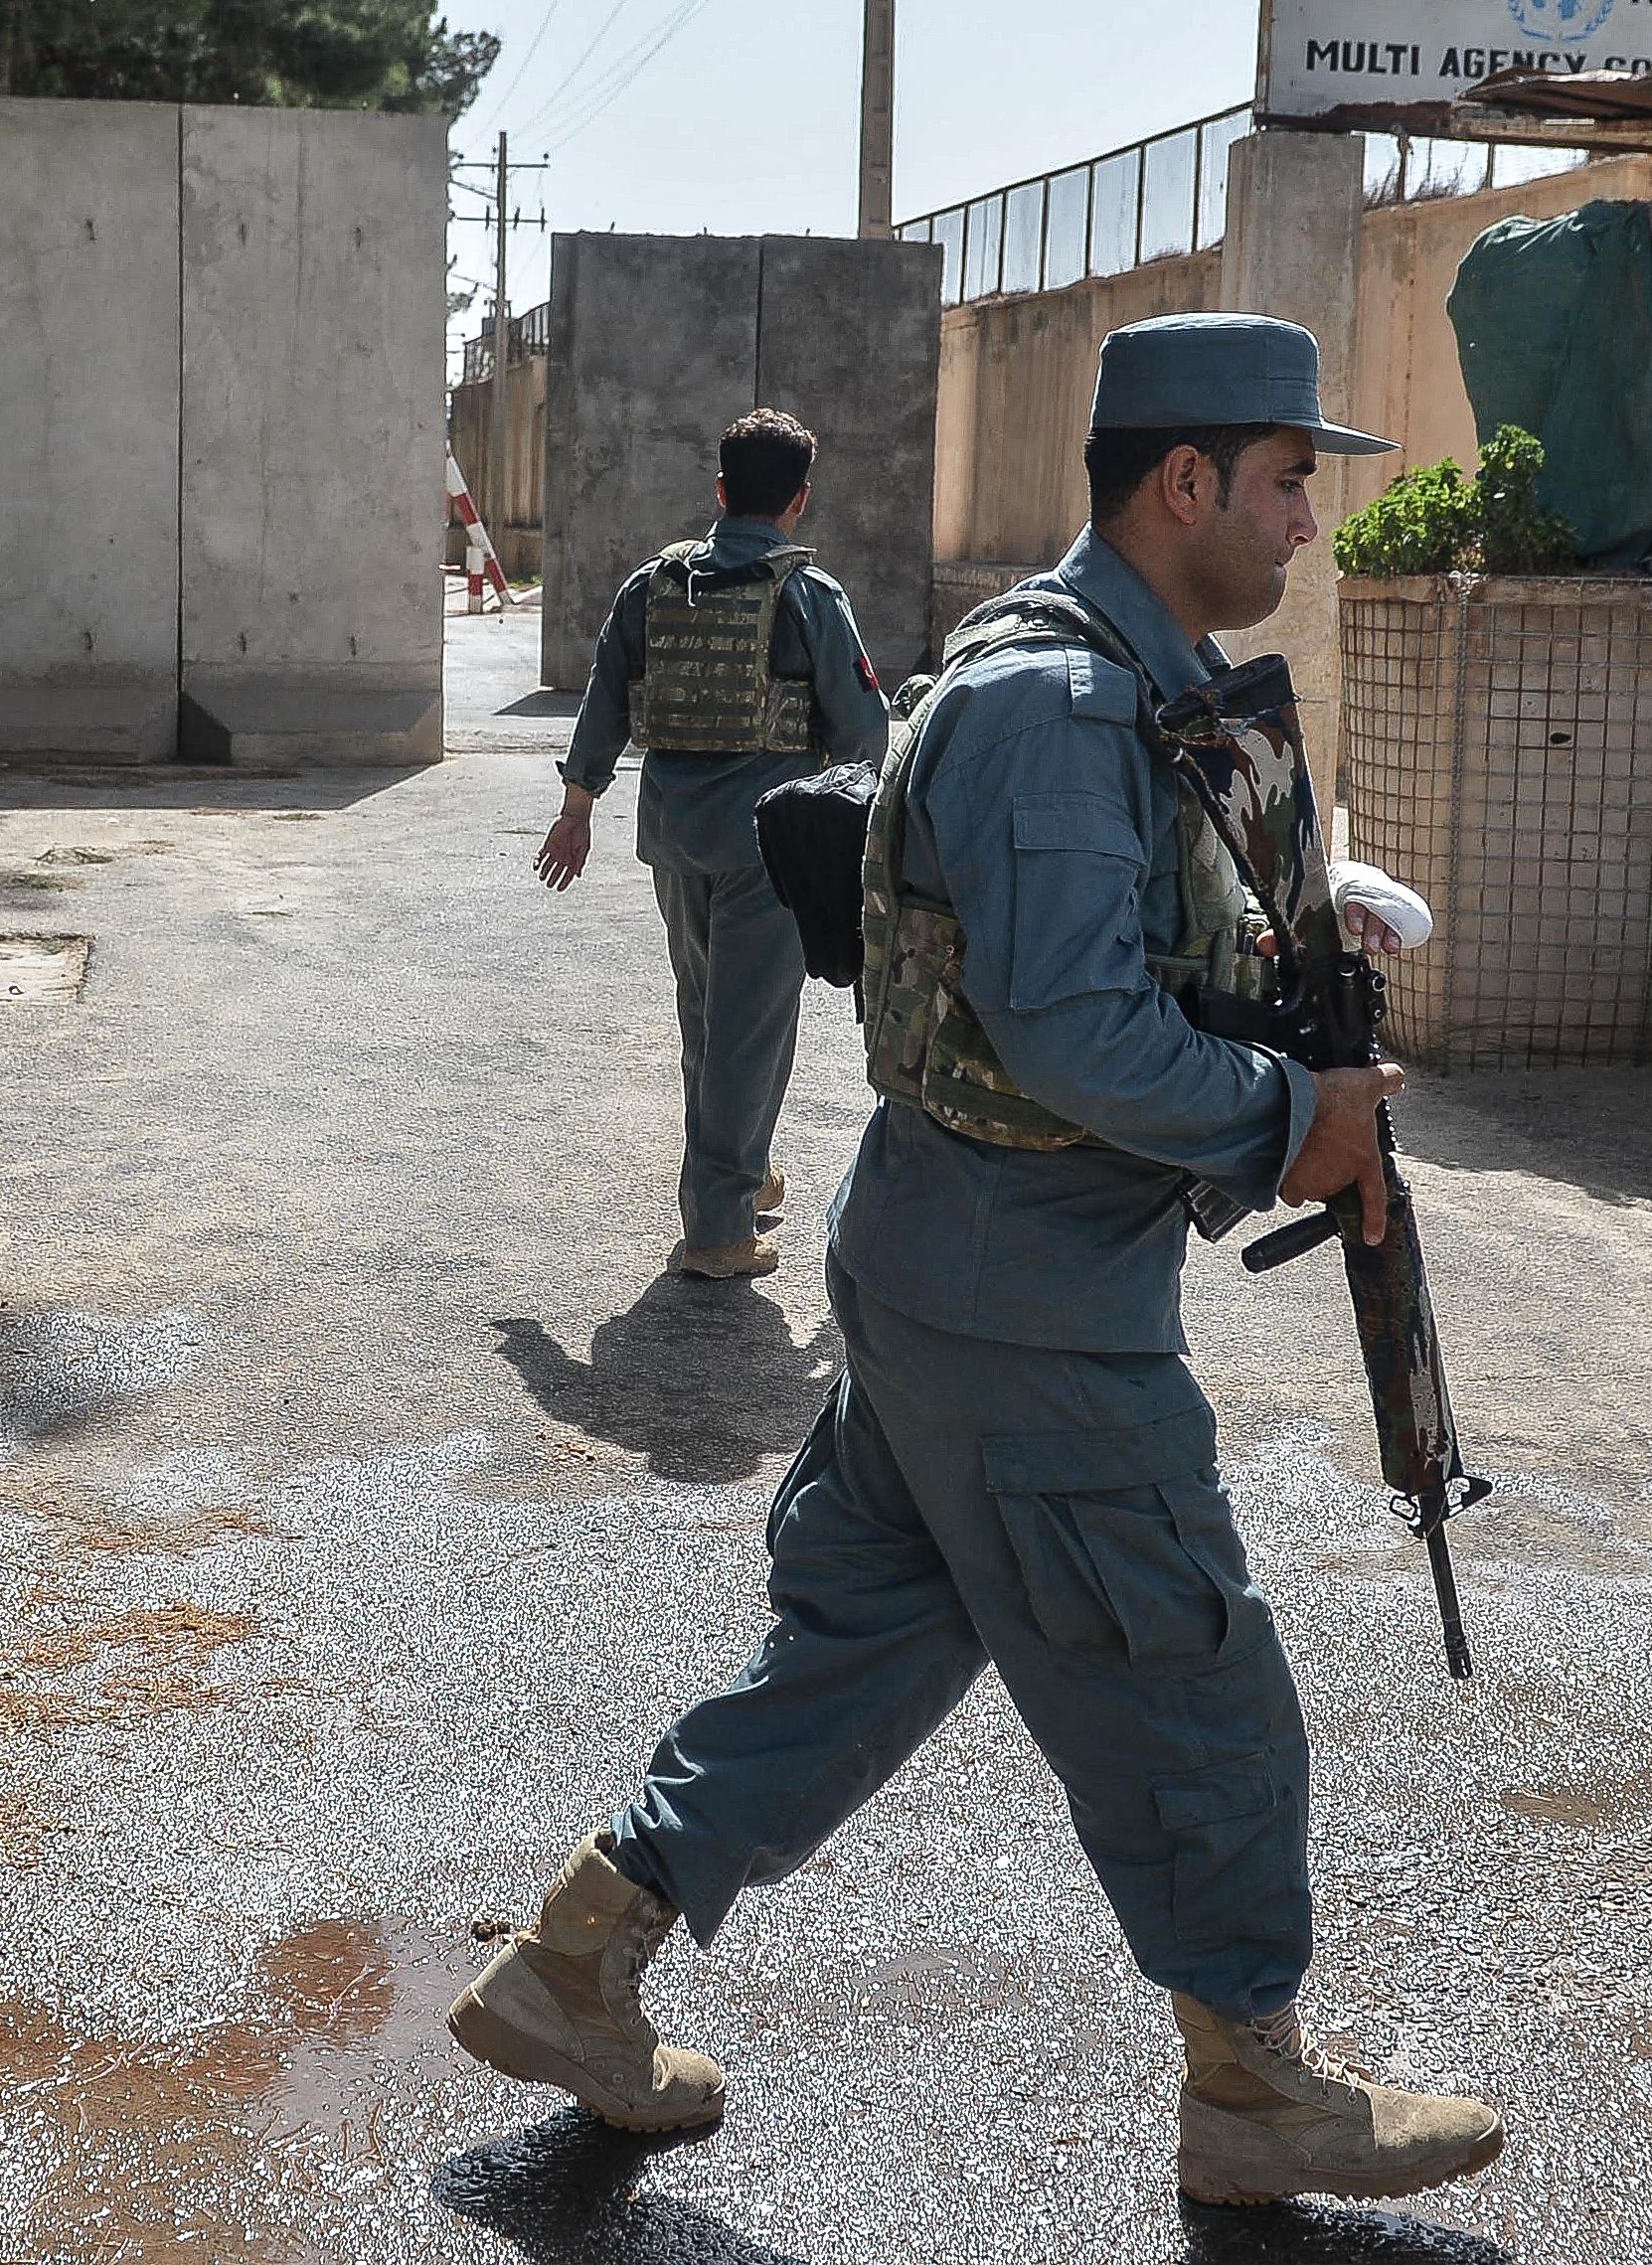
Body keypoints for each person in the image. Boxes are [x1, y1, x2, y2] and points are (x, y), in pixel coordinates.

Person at [451, 316, 1503, 2211]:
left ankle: (570, 1963)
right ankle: (1253, 2086)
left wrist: (1293, 940)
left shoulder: (1119, 671)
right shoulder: (1058, 704)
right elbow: (1073, 1031)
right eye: (1285, 481)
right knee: (1187, 1678)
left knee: (857, 1653)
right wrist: (1296, 1125)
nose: (1302, 523)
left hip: (959, 1268)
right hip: (1027, 1302)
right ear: (1181, 482)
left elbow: (1109, 938)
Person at [535, 407, 892, 1281]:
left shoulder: (655, 584)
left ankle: (742, 1164)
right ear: (799, 500)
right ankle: (720, 1226)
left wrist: (577, 806)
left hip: (674, 838)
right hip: (768, 849)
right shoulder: (808, 594)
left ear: (721, 490)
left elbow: (605, 700)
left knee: (708, 1017)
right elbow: (863, 732)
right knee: (748, 1027)